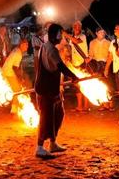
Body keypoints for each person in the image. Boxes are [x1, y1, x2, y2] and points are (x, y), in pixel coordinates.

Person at [34, 23, 81, 159]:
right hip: (45, 90)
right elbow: (60, 67)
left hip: (53, 90)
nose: (62, 37)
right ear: (56, 35)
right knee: (46, 118)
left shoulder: (48, 46)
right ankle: (39, 147)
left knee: (58, 114)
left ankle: (53, 143)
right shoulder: (50, 49)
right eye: (61, 34)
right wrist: (73, 76)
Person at [68, 21, 90, 112]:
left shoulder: (82, 36)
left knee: (85, 85)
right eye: (75, 26)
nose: (76, 27)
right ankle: (79, 106)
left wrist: (66, 34)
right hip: (75, 64)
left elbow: (76, 42)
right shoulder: (72, 38)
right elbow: (71, 48)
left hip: (82, 63)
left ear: (81, 28)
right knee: (77, 86)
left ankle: (86, 106)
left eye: (78, 26)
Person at [88, 28, 111, 110]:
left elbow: (110, 55)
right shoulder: (92, 42)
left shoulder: (108, 43)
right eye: (100, 32)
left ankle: (110, 104)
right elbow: (91, 54)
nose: (102, 33)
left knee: (108, 84)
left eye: (103, 32)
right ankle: (104, 104)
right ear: (96, 33)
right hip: (97, 65)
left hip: (106, 64)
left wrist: (107, 67)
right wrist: (88, 59)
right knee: (100, 84)